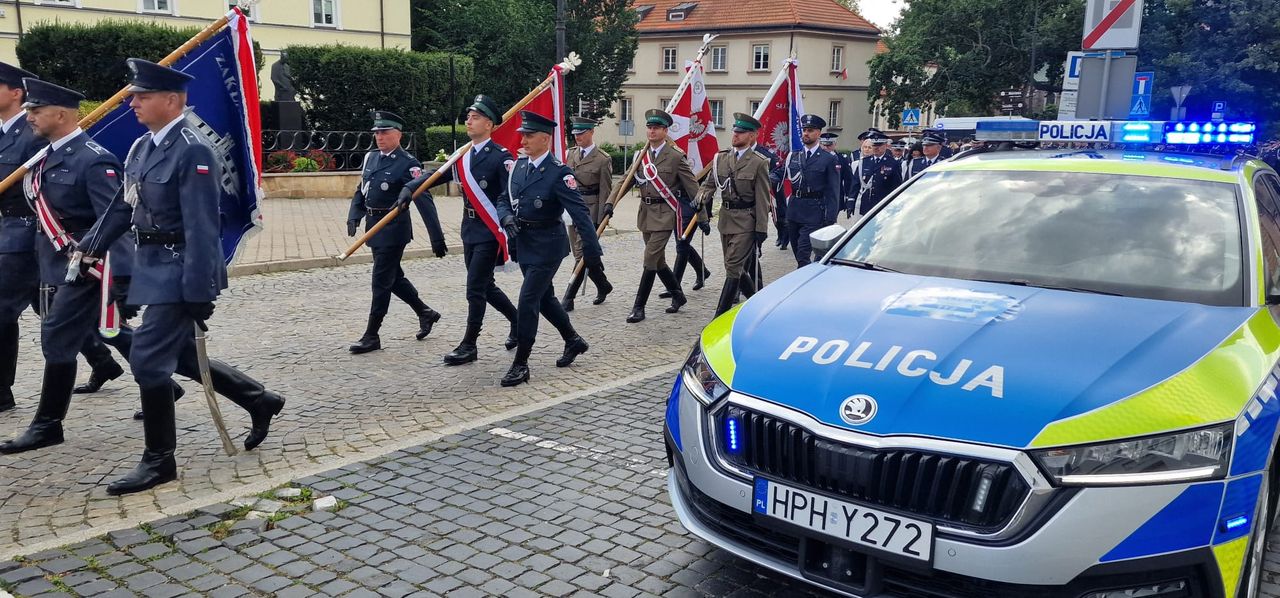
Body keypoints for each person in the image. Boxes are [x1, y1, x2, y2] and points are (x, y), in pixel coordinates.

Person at [70, 59, 285, 493]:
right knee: (181, 355)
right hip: (151, 264)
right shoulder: (142, 147)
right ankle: (259, 399)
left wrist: (201, 287)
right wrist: (88, 246)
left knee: (149, 360)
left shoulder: (192, 150)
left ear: (171, 100)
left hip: (180, 267)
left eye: (142, 96)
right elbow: (124, 207)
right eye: (133, 95)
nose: (133, 102)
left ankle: (159, 462)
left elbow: (205, 227)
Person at [0, 77, 142, 453]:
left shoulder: (93, 158)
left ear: (59, 113)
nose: (29, 116)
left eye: (36, 110)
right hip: (58, 259)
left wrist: (122, 278)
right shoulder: (46, 156)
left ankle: (47, 425)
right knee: (74, 335)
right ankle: (48, 425)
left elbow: (116, 219)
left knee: (66, 335)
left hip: (90, 266)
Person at [494, 111, 602, 387]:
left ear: (545, 139)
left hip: (548, 245)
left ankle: (521, 364)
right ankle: (573, 340)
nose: (524, 140)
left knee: (528, 300)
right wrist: (506, 219)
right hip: (524, 243)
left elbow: (579, 213)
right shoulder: (518, 167)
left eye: (529, 136)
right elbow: (503, 199)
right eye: (523, 136)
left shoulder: (558, 172)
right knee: (544, 299)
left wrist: (592, 251)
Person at [413, 95, 519, 365]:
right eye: (468, 117)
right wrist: (409, 189)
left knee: (475, 288)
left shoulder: (501, 158)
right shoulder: (463, 155)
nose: (468, 121)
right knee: (486, 285)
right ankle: (518, 321)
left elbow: (509, 194)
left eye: (475, 117)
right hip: (469, 228)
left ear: (489, 124)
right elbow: (437, 176)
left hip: (489, 229)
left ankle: (469, 345)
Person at [345, 110, 446, 354]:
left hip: (393, 230)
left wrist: (436, 236)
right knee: (393, 278)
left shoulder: (408, 163)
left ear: (398, 135)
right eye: (377, 133)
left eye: (384, 132)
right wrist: (354, 214)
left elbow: (423, 198)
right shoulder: (371, 158)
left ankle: (372, 335)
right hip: (373, 226)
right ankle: (426, 312)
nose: (379, 137)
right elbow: (363, 189)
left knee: (381, 281)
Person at [627, 108, 696, 323]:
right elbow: (626, 180)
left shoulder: (675, 156)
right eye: (649, 127)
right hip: (646, 213)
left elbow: (692, 186)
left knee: (650, 258)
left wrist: (701, 215)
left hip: (666, 213)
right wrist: (610, 204)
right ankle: (678, 294)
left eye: (656, 128)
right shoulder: (641, 155)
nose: (652, 131)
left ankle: (639, 307)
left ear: (665, 131)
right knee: (658, 261)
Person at [699, 114, 772, 316]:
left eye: (741, 133)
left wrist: (761, 229)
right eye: (735, 131)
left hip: (746, 220)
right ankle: (759, 303)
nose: (735, 135)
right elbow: (709, 186)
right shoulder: (720, 159)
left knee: (733, 267)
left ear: (752, 136)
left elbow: (762, 198)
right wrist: (700, 199)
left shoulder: (759, 162)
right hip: (726, 219)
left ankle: (718, 315)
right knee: (735, 267)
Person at [559, 116, 613, 312]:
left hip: (590, 212)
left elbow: (605, 191)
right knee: (583, 255)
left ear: (591, 132)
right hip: (571, 210)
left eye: (581, 133)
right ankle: (603, 285)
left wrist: (601, 220)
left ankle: (568, 297)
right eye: (575, 134)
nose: (577, 137)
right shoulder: (571, 155)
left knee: (581, 255)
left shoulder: (602, 159)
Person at [780, 114, 841, 267]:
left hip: (814, 212)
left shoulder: (828, 159)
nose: (806, 133)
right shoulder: (793, 156)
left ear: (819, 133)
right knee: (797, 252)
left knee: (803, 253)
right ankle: (811, 274)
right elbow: (780, 174)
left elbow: (833, 191)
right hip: (794, 210)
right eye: (804, 130)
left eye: (811, 130)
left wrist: (830, 219)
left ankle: (806, 284)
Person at [847, 127, 903, 218]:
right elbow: (855, 184)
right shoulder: (864, 162)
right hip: (866, 206)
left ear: (885, 145)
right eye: (874, 145)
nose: (876, 148)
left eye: (879, 145)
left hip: (883, 206)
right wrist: (850, 203)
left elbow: (896, 187)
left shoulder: (893, 163)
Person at [819, 131, 851, 223]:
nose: (826, 148)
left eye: (829, 145)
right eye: (824, 145)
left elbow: (848, 179)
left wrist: (848, 198)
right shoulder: (816, 158)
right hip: (818, 196)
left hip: (835, 196)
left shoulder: (841, 159)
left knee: (830, 222)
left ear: (835, 144)